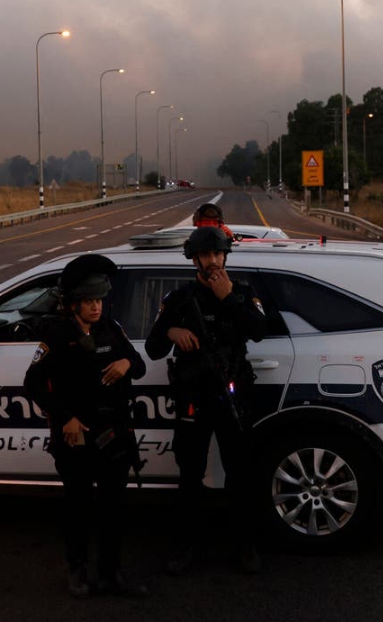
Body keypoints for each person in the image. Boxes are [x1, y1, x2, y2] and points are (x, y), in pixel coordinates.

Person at [23, 253, 149, 599]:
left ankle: (111, 574)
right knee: (78, 508)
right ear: (73, 304)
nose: (96, 307)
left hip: (114, 434)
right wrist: (66, 418)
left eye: (99, 300)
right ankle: (77, 571)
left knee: (112, 509)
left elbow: (138, 363)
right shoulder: (57, 335)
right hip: (76, 436)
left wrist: (126, 361)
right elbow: (32, 383)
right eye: (89, 301)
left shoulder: (111, 328)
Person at [145, 227, 268, 575]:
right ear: (194, 259)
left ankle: (245, 546)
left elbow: (260, 330)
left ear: (225, 257)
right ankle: (187, 547)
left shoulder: (242, 293)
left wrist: (228, 298)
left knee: (240, 475)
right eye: (206, 256)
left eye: (217, 255)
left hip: (233, 399)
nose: (212, 261)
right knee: (189, 477)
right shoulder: (179, 299)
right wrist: (171, 331)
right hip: (193, 399)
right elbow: (153, 348)